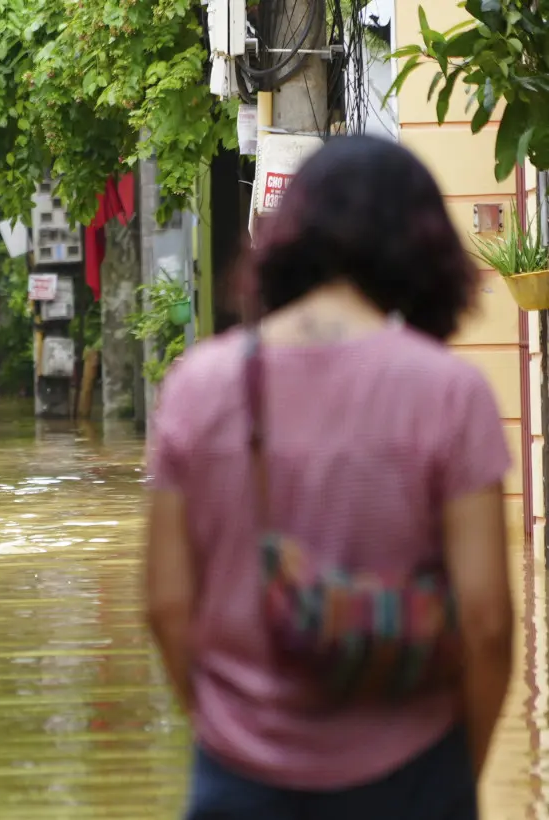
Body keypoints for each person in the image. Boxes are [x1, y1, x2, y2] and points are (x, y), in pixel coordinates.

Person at [145, 135, 513, 819]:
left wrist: (229, 733)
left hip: (238, 777)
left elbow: (166, 607)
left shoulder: (197, 387)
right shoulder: (451, 394)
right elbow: (488, 622)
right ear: (424, 246)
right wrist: (460, 774)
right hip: (415, 772)